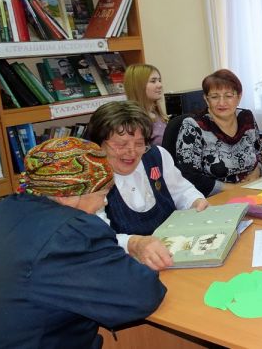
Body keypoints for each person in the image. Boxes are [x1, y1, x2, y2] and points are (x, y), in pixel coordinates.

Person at [0, 137, 166, 348]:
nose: (104, 202)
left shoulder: (3, 208)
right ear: (67, 196)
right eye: (103, 193)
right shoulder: (71, 232)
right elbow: (142, 294)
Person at [86, 100, 208, 271]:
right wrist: (134, 243)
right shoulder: (89, 181)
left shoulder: (156, 156)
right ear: (99, 145)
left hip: (174, 256)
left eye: (139, 143)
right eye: (121, 145)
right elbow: (100, 237)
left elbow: (182, 190)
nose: (132, 152)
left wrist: (195, 201)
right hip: (126, 267)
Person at [175, 69, 262, 196]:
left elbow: (258, 154)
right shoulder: (193, 126)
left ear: (239, 97)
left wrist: (255, 174)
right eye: (215, 97)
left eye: (228, 96)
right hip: (216, 198)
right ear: (206, 99)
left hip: (252, 190)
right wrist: (235, 189)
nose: (222, 103)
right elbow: (190, 176)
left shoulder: (246, 118)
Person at [125, 63, 169, 145]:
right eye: (153, 81)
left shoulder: (157, 114)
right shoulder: (133, 122)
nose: (160, 85)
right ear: (138, 86)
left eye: (159, 80)